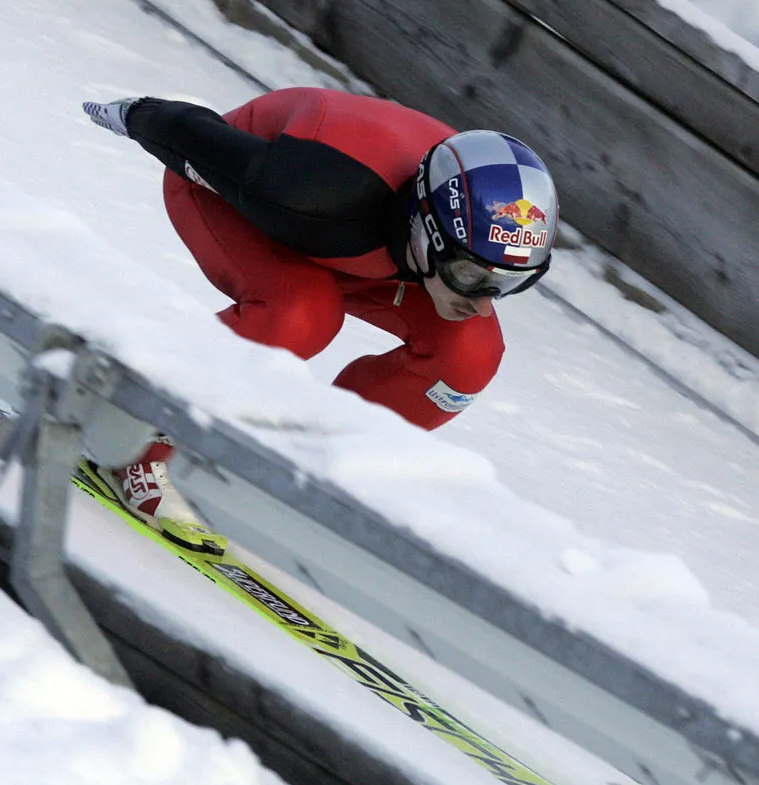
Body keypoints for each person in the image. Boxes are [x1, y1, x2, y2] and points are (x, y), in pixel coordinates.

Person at [81, 87, 560, 555]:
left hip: (375, 248)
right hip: (254, 201)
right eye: (471, 275)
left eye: (507, 284)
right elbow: (186, 131)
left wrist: (464, 275)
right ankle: (138, 436)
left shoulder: (452, 238)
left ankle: (308, 465)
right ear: (428, 230)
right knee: (303, 312)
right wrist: (135, 112)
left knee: (469, 355)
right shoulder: (313, 190)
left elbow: (466, 282)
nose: (481, 300)